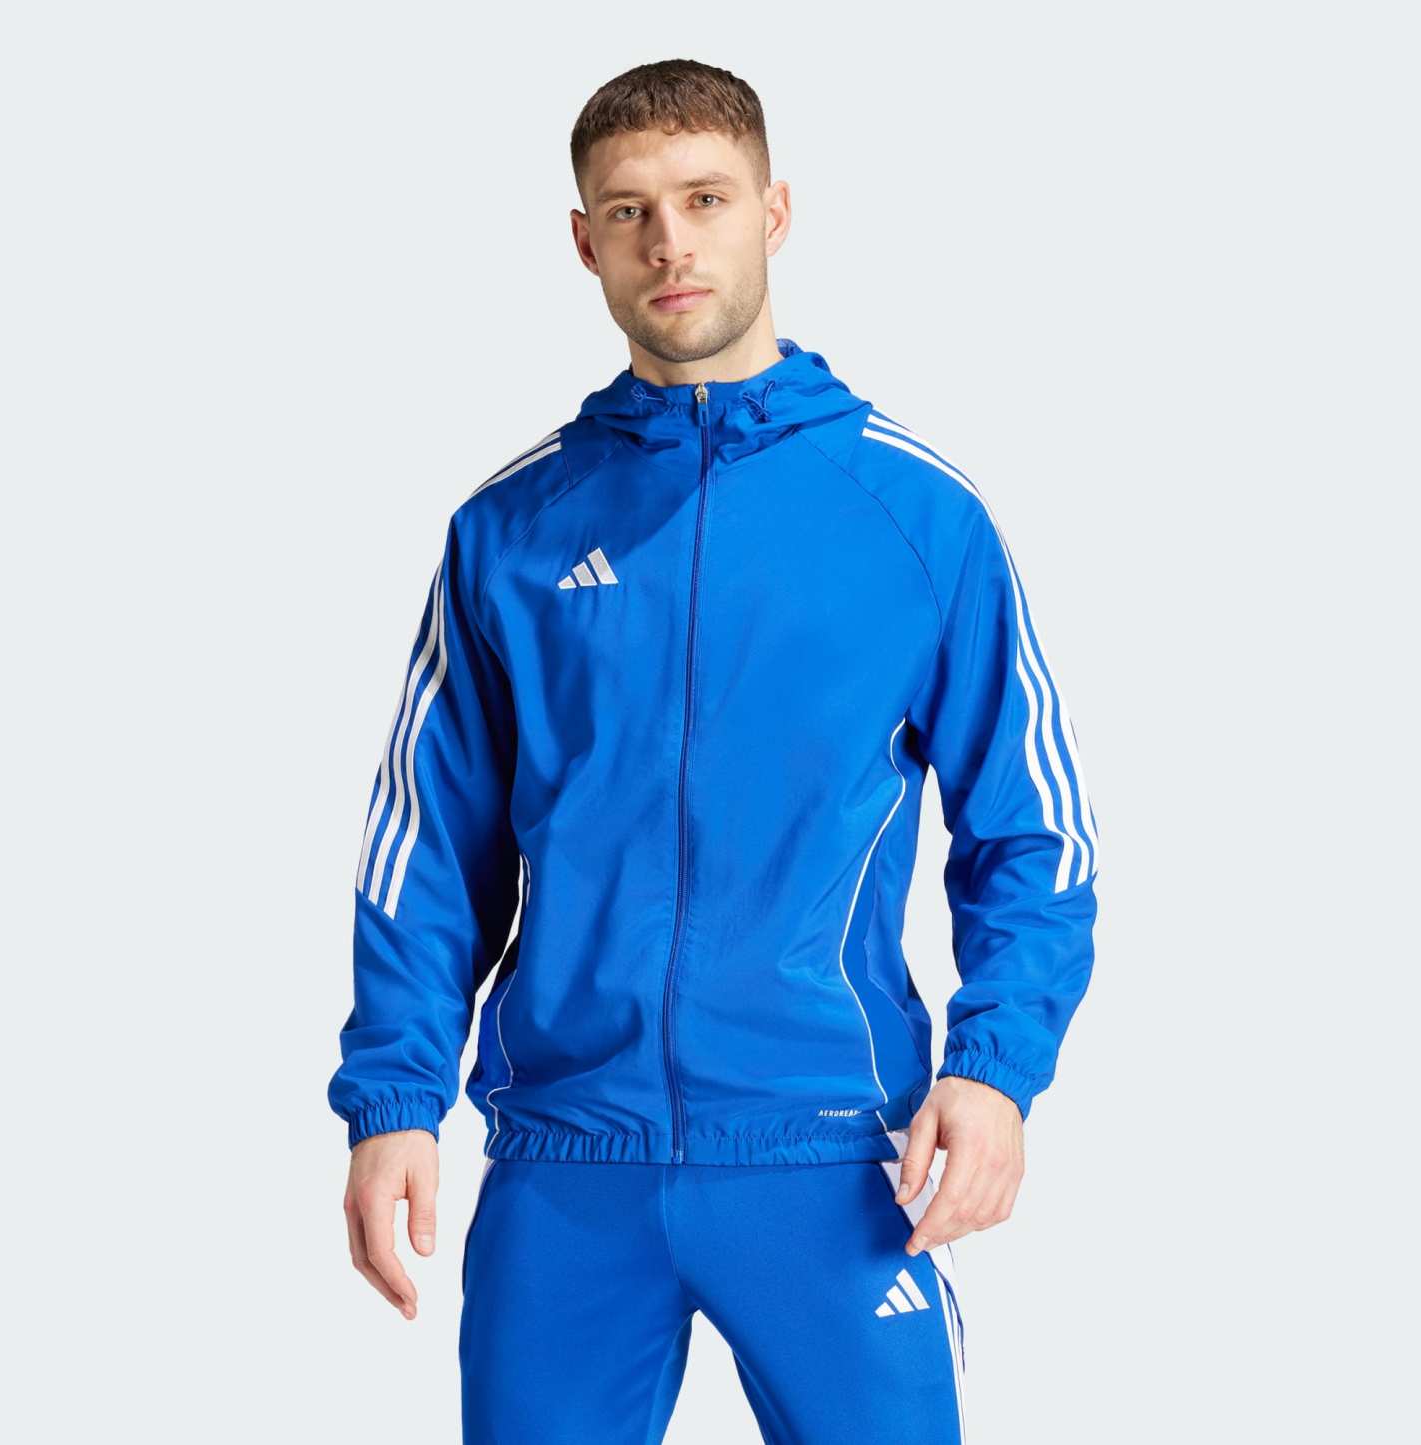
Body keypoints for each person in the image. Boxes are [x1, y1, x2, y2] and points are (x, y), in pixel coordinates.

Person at [329, 57, 1099, 1444]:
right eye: (628, 211)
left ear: (774, 211)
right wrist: (393, 1095)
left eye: (704, 199)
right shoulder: (510, 530)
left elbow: (1031, 831)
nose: (669, 243)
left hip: (832, 1158)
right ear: (584, 242)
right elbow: (431, 846)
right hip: (568, 1164)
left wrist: (994, 1068)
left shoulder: (914, 515)